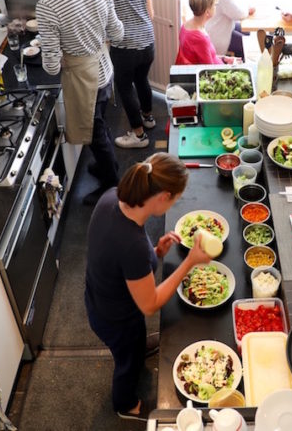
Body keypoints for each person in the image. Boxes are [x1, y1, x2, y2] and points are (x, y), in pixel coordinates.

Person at [84, 153, 212, 419]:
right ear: (164, 196)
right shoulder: (133, 245)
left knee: (135, 346)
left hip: (99, 295)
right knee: (127, 363)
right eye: (176, 198)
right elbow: (150, 304)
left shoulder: (113, 198)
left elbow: (123, 260)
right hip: (116, 318)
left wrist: (156, 252)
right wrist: (189, 262)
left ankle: (139, 347)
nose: (176, 202)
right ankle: (126, 405)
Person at [34, 0, 124, 203]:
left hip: (84, 81)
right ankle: (110, 166)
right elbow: (117, 33)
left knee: (94, 133)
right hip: (105, 70)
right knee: (99, 123)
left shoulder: (47, 7)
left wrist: (61, 57)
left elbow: (50, 66)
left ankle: (112, 186)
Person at [94, 0, 156, 150]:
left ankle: (138, 135)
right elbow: (151, 13)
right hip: (147, 42)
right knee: (142, 79)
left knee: (124, 87)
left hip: (124, 46)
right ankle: (148, 117)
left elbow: (100, 17)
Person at [176, 0, 237, 65]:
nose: (216, 7)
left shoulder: (186, 25)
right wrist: (228, 66)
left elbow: (205, 55)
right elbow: (209, 70)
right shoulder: (200, 39)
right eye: (215, 5)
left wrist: (223, 58)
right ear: (207, 12)